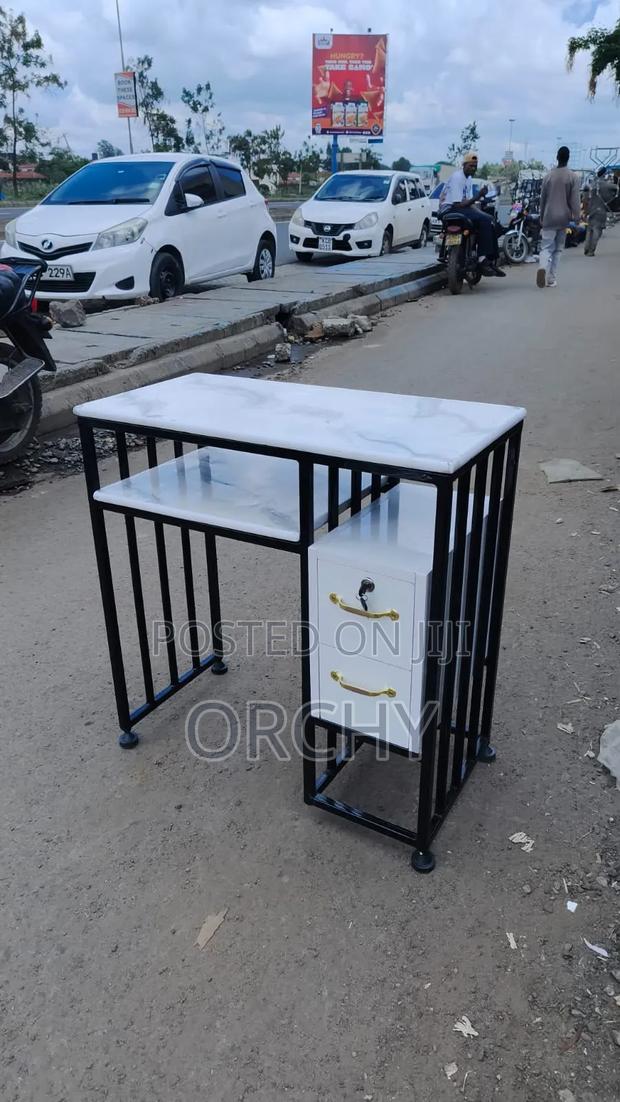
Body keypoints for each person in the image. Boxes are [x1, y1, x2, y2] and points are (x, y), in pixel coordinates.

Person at [439, 151, 505, 277]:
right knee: (484, 221)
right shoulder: (458, 177)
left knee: (489, 220)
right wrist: (478, 195)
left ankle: (490, 260)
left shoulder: (468, 179)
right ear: (464, 165)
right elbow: (458, 204)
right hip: (449, 209)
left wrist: (483, 214)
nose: (473, 168)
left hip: (459, 209)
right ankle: (482, 259)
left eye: (475, 166)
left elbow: (468, 203)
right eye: (471, 165)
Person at [537, 146, 580, 288]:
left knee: (546, 247)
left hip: (549, 216)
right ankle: (551, 279)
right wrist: (577, 218)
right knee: (558, 249)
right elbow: (575, 200)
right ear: (568, 158)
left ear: (557, 157)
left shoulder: (548, 176)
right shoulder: (572, 177)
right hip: (563, 218)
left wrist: (541, 216)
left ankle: (542, 267)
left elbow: (542, 199)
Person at [583, 167, 618, 256]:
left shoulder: (591, 184)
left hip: (591, 210)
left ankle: (586, 247)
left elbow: (585, 197)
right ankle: (591, 250)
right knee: (597, 231)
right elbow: (617, 188)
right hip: (601, 211)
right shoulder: (607, 185)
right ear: (604, 175)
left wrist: (586, 210)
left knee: (589, 230)